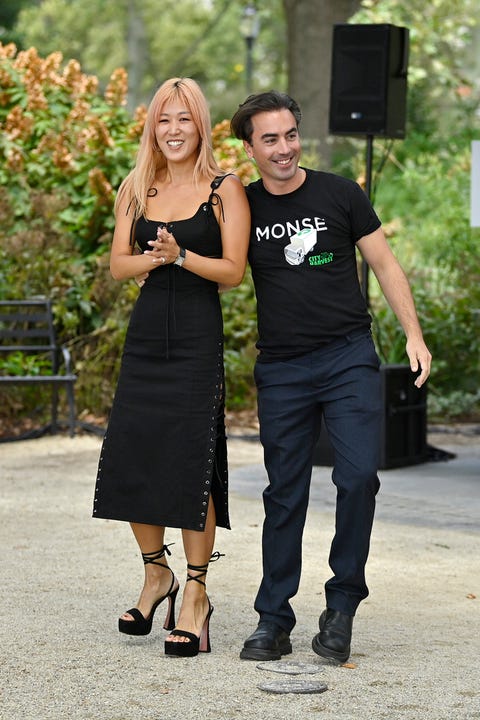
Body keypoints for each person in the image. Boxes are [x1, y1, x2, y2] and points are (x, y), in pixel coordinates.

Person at [230, 91, 432, 663]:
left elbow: (385, 264)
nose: (285, 148)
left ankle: (341, 607)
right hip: (283, 368)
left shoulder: (341, 193)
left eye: (290, 134)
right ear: (250, 148)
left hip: (347, 358)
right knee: (285, 492)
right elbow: (218, 268)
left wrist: (413, 336)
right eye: (270, 139)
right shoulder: (243, 206)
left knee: (358, 478)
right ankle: (273, 618)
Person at [92, 77, 250, 658]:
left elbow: (234, 272)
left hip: (196, 338)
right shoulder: (138, 186)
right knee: (137, 451)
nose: (174, 130)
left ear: (201, 125)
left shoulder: (225, 188)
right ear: (152, 126)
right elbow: (116, 265)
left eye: (185, 119)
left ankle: (197, 593)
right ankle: (157, 574)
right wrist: (151, 261)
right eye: (164, 119)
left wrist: (180, 256)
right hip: (146, 338)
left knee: (191, 459)